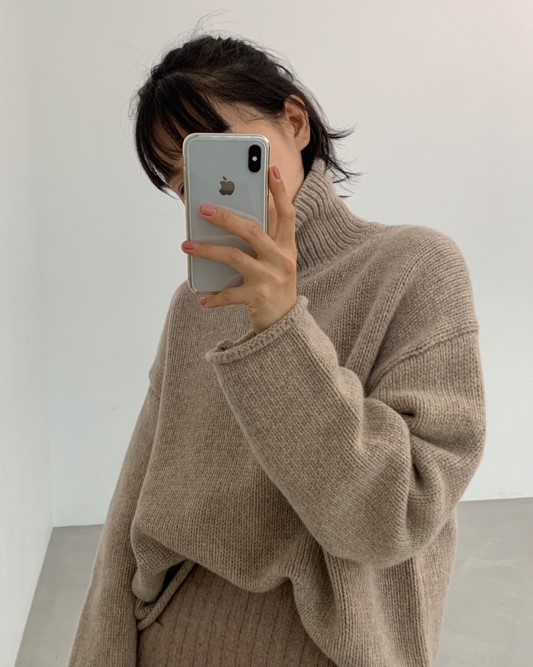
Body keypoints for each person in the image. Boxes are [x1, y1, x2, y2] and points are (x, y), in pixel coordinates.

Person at [68, 29, 486, 667]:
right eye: (184, 184)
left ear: (295, 122)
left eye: (222, 157)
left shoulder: (414, 268)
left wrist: (281, 326)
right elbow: (131, 513)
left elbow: (391, 517)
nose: (209, 195)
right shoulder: (196, 306)